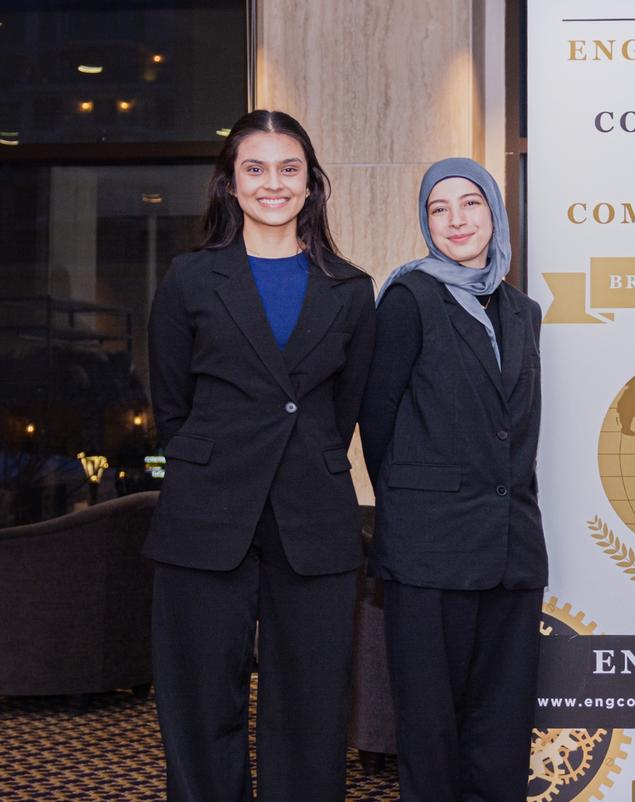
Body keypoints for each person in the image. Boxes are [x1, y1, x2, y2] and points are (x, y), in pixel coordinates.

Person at [146, 109, 377, 801]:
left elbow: (345, 410)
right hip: (204, 513)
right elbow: (171, 404)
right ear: (230, 184)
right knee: (198, 699)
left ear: (310, 185)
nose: (271, 183)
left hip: (314, 515)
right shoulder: (190, 279)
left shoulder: (352, 289)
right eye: (255, 169)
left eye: (288, 169)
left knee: (311, 703)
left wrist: (295, 459)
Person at [360, 158, 545, 801]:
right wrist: (417, 503)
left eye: (471, 203)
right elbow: (376, 419)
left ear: (495, 213)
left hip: (511, 547)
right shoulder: (409, 299)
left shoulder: (525, 311)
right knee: (431, 728)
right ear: (425, 223)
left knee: (502, 728)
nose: (457, 220)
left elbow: (518, 430)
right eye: (440, 208)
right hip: (428, 548)